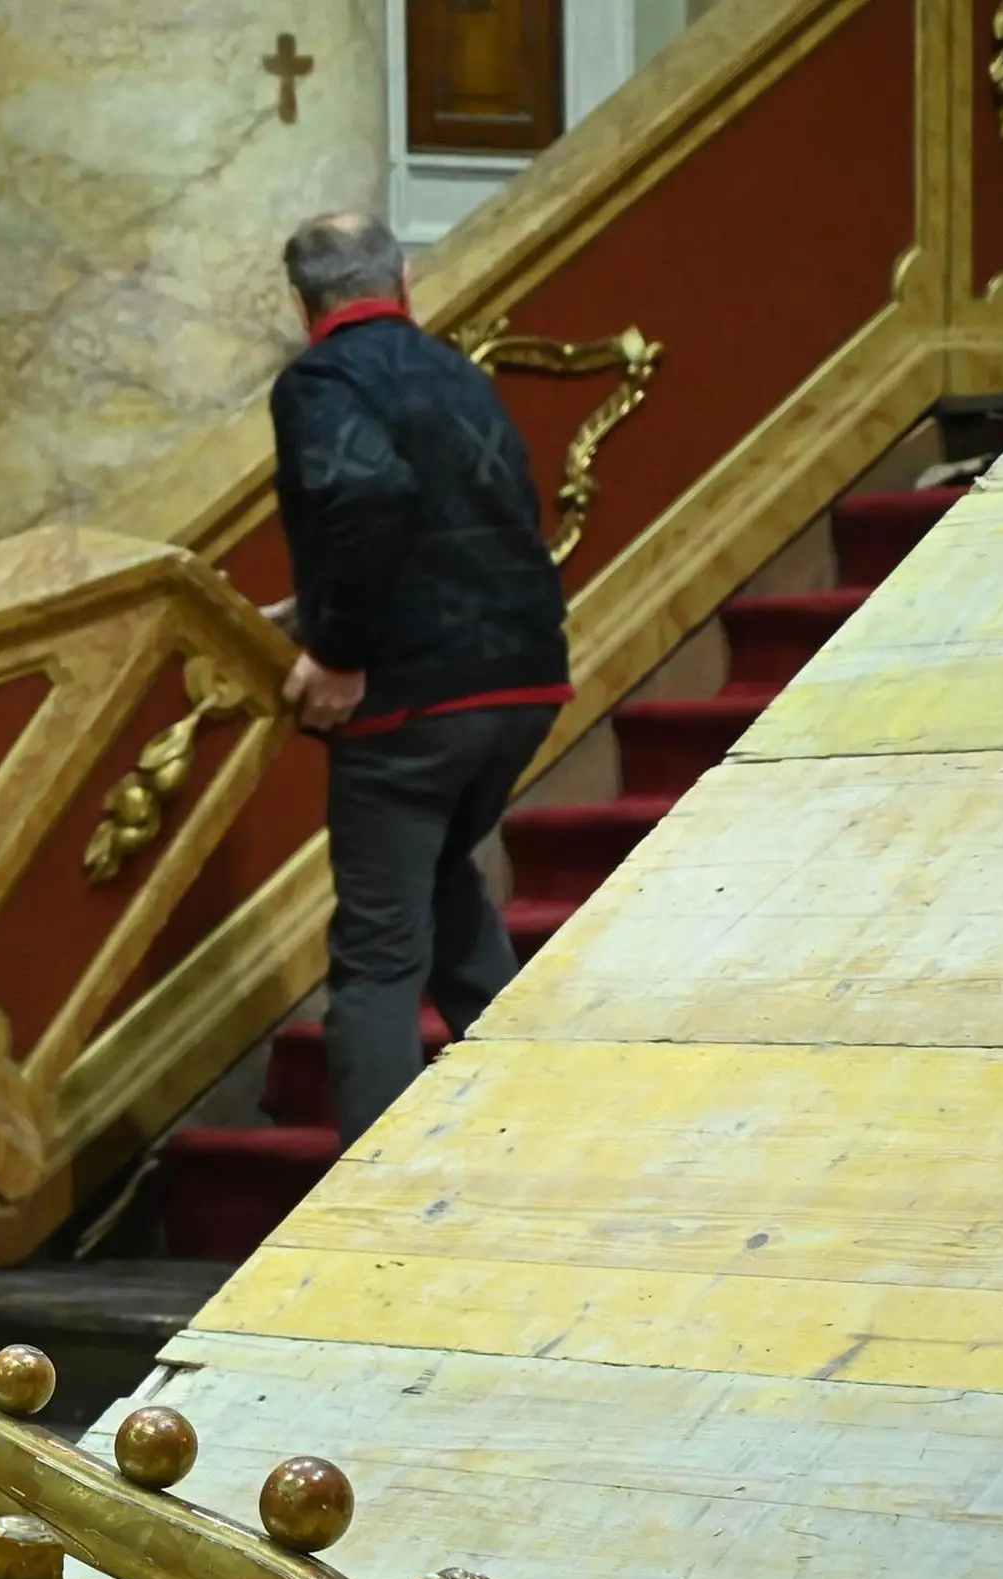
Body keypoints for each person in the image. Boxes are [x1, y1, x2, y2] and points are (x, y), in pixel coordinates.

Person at [269, 210, 571, 1146]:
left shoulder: (322, 380)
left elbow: (367, 496)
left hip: (412, 705)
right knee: (442, 878)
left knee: (377, 956)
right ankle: (533, 1120)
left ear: (302, 303)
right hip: (524, 684)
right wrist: (307, 613)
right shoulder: (460, 371)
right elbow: (463, 519)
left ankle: (376, 1194)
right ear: (404, 282)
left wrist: (340, 650)